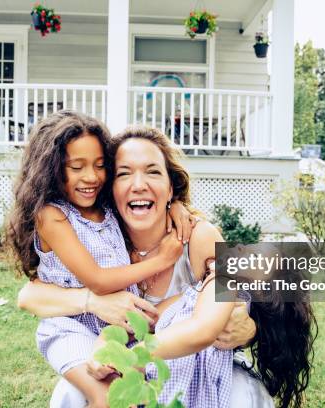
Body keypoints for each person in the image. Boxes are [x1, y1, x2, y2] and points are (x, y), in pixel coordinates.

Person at [19, 126, 283, 407]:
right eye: (123, 173)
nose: (138, 184)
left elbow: (252, 301)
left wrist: (250, 329)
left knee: (241, 397)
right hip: (124, 366)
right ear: (111, 188)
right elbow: (28, 296)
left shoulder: (199, 238)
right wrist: (94, 303)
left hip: (197, 369)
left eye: (153, 172)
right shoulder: (103, 237)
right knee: (73, 392)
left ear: (171, 187)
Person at [6, 112, 194, 407]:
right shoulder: (55, 216)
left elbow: (248, 284)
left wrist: (177, 207)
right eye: (76, 167)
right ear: (52, 170)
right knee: (108, 396)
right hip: (72, 330)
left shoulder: (108, 209)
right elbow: (95, 281)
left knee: (128, 395)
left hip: (119, 333)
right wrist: (161, 260)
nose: (91, 177)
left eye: (100, 166)